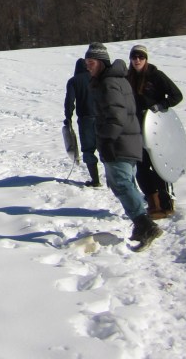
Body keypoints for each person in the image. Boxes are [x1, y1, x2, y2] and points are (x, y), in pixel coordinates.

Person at [83, 42, 161, 247]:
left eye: (90, 62)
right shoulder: (114, 80)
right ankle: (141, 224)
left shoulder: (109, 83)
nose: (87, 66)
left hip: (119, 143)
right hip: (126, 141)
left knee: (121, 183)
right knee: (124, 183)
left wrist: (107, 140)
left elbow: (116, 117)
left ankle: (145, 225)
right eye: (86, 63)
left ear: (100, 62)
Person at [127, 44, 184, 219]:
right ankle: (153, 205)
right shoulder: (127, 77)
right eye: (134, 57)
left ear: (146, 59)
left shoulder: (156, 76)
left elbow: (177, 95)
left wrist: (161, 106)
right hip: (135, 128)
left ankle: (166, 203)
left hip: (156, 128)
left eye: (141, 57)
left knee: (159, 165)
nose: (137, 60)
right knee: (142, 168)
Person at [64, 58, 100, 187]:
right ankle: (113, 180)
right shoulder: (96, 77)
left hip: (86, 119)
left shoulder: (74, 81)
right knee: (105, 148)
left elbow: (69, 101)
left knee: (89, 150)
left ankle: (95, 180)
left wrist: (68, 117)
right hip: (103, 117)